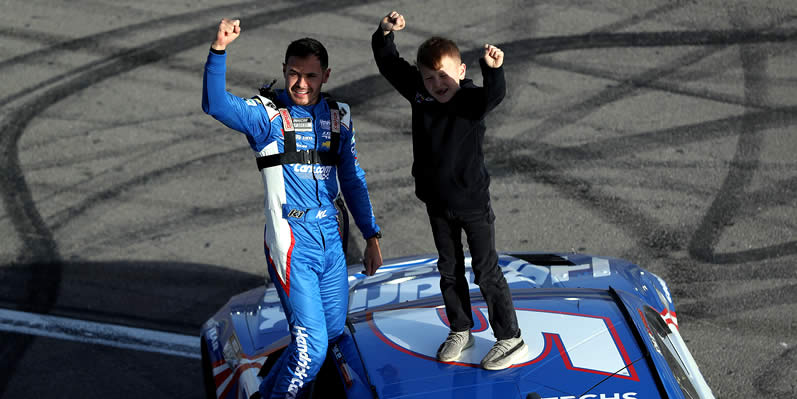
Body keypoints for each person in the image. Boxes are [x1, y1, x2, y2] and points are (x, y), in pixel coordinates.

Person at [203, 18, 383, 398]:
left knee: (332, 335)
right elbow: (215, 104)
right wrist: (219, 49)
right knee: (312, 347)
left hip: (332, 241)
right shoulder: (266, 117)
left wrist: (371, 235)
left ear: (326, 76)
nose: (301, 84)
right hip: (291, 244)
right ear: (284, 72)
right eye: (293, 74)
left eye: (311, 76)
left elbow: (352, 180)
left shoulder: (339, 118)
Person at [371, 11, 527, 371]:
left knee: (486, 271)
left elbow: (495, 95)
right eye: (429, 78)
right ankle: (461, 328)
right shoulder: (420, 95)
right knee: (449, 268)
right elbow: (389, 63)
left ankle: (510, 337)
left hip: (472, 204)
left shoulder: (470, 100)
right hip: (437, 204)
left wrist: (493, 68)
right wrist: (384, 32)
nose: (437, 83)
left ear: (460, 71)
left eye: (444, 75)